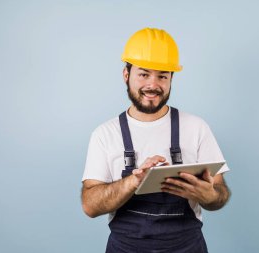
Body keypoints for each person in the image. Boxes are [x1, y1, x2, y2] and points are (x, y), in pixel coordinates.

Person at [81, 27, 231, 253]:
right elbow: (90, 205)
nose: (153, 85)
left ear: (171, 78)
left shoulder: (196, 128)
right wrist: (133, 182)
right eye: (143, 74)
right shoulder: (105, 134)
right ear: (126, 75)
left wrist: (209, 195)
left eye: (162, 76)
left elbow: (220, 194)